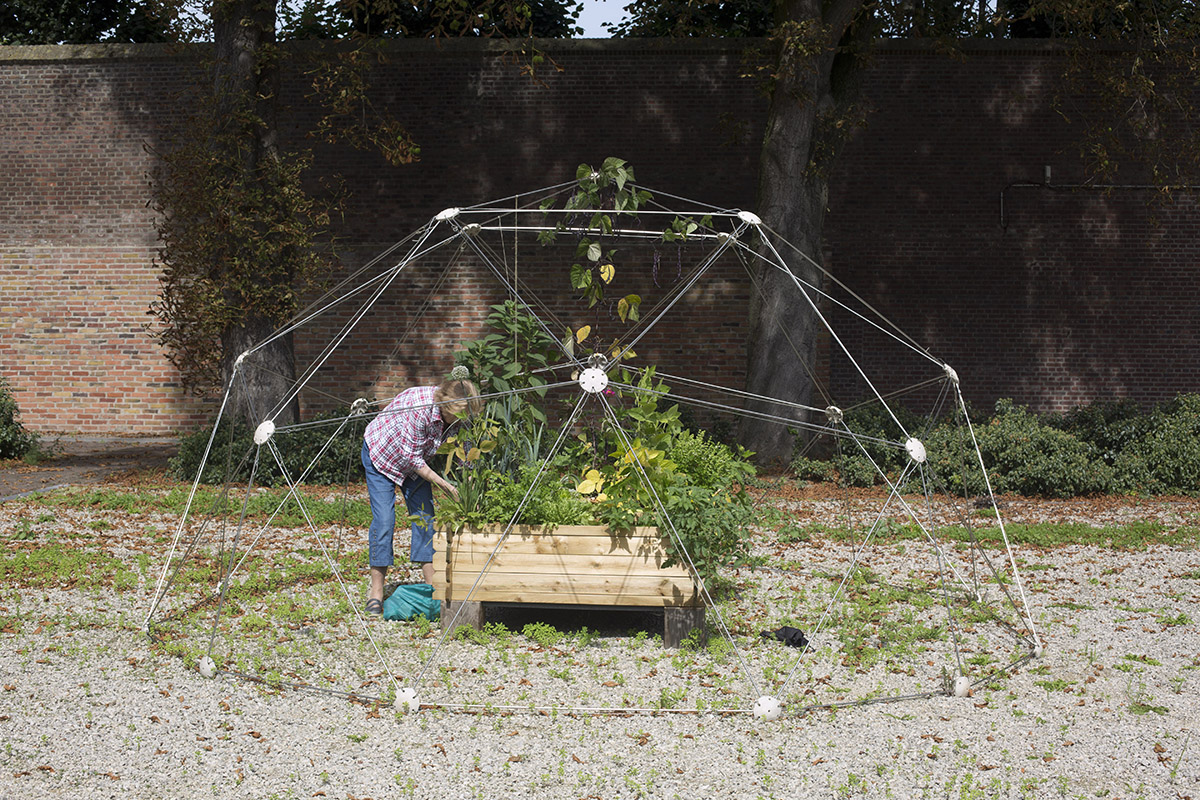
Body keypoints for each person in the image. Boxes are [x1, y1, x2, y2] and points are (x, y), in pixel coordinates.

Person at [361, 366, 481, 615]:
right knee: (384, 520)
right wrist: (446, 486)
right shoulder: (419, 407)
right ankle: (376, 592)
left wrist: (470, 487)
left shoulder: (462, 414)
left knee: (426, 520)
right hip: (382, 455)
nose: (462, 421)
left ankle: (432, 588)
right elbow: (411, 458)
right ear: (445, 406)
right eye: (458, 416)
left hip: (415, 464)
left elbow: (465, 455)